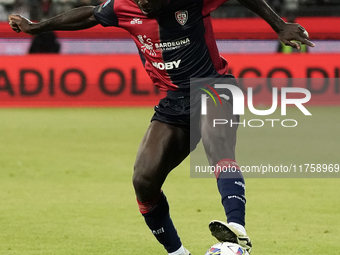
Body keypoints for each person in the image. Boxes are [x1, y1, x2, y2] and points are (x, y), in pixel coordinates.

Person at [8, 1, 314, 254]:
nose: (143, 4)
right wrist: (37, 27)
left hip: (213, 86)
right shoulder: (124, 6)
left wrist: (278, 25)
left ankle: (238, 232)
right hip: (175, 100)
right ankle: (178, 253)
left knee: (215, 142)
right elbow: (89, 14)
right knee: (143, 179)